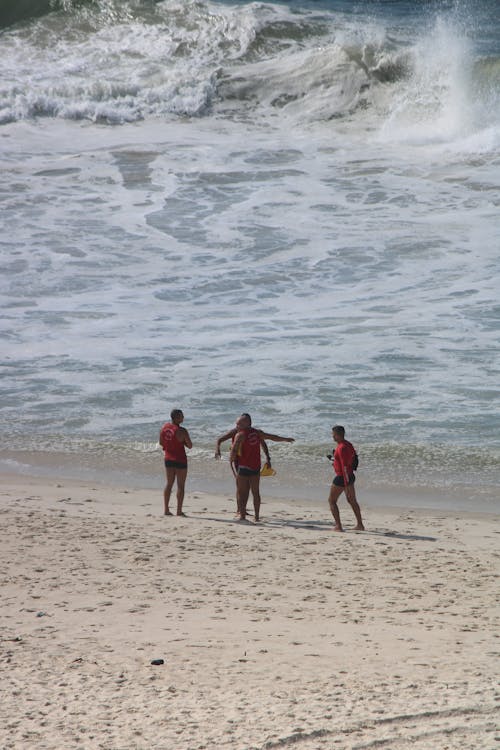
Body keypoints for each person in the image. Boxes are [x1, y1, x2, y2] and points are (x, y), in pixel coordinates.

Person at [228, 414, 294, 522]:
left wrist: (231, 461)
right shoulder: (257, 433)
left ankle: (242, 516)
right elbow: (272, 437)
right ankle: (257, 517)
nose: (237, 425)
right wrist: (285, 439)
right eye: (237, 423)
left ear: (247, 423)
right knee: (255, 492)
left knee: (242, 492)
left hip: (244, 467)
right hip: (255, 468)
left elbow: (234, 449)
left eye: (239, 423)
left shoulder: (240, 435)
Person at [327, 425, 364, 532]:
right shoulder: (348, 444)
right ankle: (360, 525)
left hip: (342, 478)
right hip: (350, 475)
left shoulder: (341, 447)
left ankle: (338, 526)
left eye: (333, 435)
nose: (332, 437)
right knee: (352, 500)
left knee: (331, 501)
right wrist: (334, 461)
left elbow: (344, 467)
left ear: (338, 435)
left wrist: (346, 484)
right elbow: (353, 460)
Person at [159, 408, 192, 516]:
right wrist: (182, 443)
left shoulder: (164, 427)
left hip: (168, 458)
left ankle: (166, 509)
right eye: (182, 416)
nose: (183, 417)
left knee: (169, 484)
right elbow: (190, 445)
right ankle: (179, 510)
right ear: (177, 418)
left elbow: (161, 443)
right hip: (180, 459)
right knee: (181, 486)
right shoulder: (182, 431)